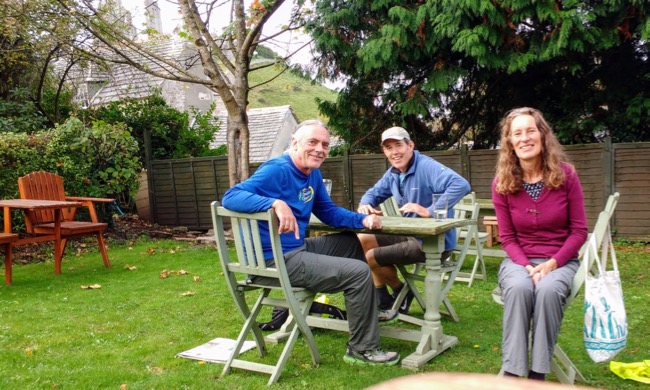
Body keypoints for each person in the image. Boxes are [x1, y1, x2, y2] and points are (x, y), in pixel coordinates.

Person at [222, 119, 400, 366]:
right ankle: (362, 349)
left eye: (325, 145)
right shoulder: (277, 169)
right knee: (358, 272)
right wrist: (275, 203)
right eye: (313, 142)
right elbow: (230, 197)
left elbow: (328, 212)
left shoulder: (312, 174)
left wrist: (364, 219)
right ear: (295, 143)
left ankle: (367, 311)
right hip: (273, 262)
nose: (320, 149)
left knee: (351, 242)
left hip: (295, 250)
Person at [491, 107, 588, 380]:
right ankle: (512, 371)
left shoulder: (567, 175)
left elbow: (579, 232)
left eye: (530, 131)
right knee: (520, 288)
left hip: (560, 260)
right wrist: (526, 266)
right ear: (509, 141)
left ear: (542, 135)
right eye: (517, 133)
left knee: (547, 291)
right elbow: (507, 238)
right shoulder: (502, 182)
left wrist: (553, 263)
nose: (524, 138)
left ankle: (537, 374)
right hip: (518, 261)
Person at [356, 127, 471, 314]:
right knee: (362, 239)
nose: (394, 152)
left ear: (410, 145)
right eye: (388, 148)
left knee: (371, 258)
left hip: (433, 243)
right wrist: (365, 204)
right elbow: (374, 193)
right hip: (409, 235)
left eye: (398, 145)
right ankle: (383, 298)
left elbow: (461, 184)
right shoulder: (394, 173)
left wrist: (430, 210)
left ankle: (401, 292)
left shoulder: (426, 166)